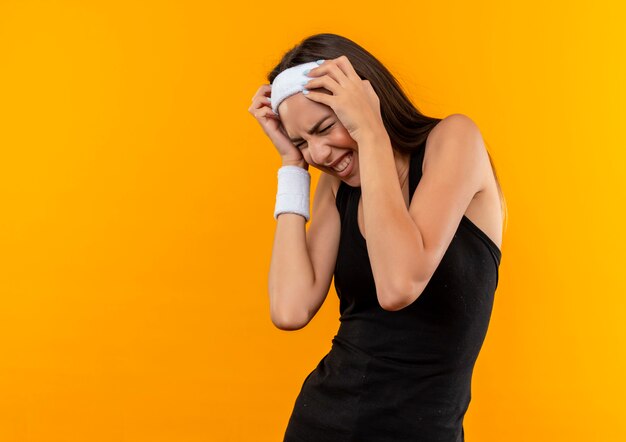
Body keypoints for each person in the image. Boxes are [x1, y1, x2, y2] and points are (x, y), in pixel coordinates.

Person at [248, 33, 506, 442]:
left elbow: (398, 284)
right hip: (321, 425)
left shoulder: (453, 141)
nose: (319, 154)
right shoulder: (336, 188)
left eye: (325, 127)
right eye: (303, 142)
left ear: (364, 101)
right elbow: (289, 308)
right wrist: (291, 167)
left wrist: (370, 134)